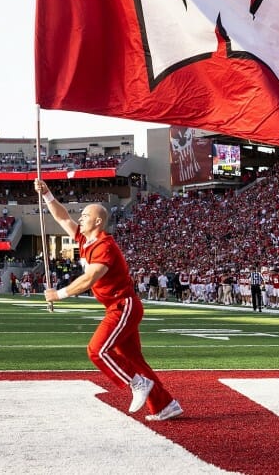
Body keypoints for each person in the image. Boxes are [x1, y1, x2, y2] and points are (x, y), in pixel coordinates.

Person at [35, 179, 183, 421]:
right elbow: (62, 217)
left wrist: (59, 294)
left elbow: (89, 278)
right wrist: (47, 195)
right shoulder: (85, 241)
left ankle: (136, 384)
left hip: (123, 305)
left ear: (98, 222)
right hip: (119, 306)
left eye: (85, 215)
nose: (79, 218)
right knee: (134, 360)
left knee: (97, 351)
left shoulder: (105, 246)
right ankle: (165, 404)